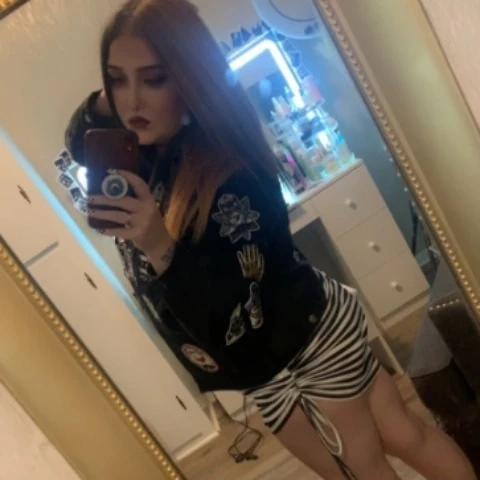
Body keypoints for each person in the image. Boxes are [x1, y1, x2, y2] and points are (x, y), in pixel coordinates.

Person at [64, 1, 476, 478]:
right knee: (403, 434)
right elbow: (78, 140)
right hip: (285, 342)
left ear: (190, 79)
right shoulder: (151, 149)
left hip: (298, 348)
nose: (131, 102)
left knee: (360, 468)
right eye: (117, 80)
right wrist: (118, 93)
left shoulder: (230, 176)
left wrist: (159, 246)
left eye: (154, 78)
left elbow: (234, 319)